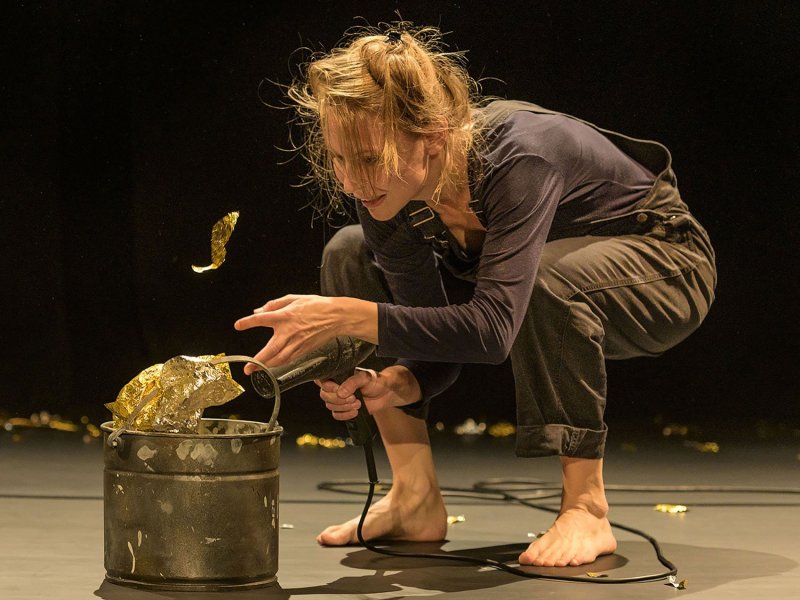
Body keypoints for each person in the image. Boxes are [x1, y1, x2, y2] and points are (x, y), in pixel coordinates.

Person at [234, 23, 716, 568]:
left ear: (434, 135)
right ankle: (414, 497)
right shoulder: (393, 200)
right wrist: (396, 381)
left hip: (663, 266)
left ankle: (587, 507)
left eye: (368, 159)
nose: (350, 181)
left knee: (549, 280)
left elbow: (491, 332)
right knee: (349, 252)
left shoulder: (520, 157)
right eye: (339, 160)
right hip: (542, 289)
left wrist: (346, 316)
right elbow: (438, 342)